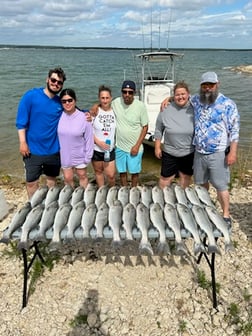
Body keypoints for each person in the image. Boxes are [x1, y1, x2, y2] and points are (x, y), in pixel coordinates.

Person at [162, 71, 240, 226]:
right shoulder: (197, 100)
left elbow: (235, 131)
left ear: (217, 85)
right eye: (205, 85)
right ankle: (205, 208)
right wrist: (168, 98)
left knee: (221, 185)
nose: (207, 88)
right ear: (201, 87)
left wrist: (233, 152)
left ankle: (225, 215)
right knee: (201, 183)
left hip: (218, 153)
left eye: (210, 85)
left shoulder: (228, 104)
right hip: (199, 152)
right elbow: (182, 97)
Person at [16, 67, 66, 199]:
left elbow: (75, 111)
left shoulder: (60, 102)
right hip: (32, 150)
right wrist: (22, 142)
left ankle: (49, 207)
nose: (56, 84)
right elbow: (21, 122)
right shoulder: (31, 96)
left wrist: (91, 112)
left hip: (53, 150)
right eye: (53, 80)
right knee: (32, 183)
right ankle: (33, 207)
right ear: (47, 79)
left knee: (51, 181)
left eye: (59, 82)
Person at [154, 81, 194, 189]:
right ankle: (163, 201)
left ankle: (183, 200)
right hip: (169, 152)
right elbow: (158, 129)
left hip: (188, 152)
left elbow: (204, 97)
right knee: (165, 179)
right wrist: (157, 147)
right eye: (177, 95)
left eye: (183, 94)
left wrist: (170, 97)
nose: (180, 97)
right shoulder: (165, 109)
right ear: (173, 95)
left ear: (188, 94)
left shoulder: (195, 107)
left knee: (185, 177)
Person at [112, 80, 149, 187]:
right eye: (125, 92)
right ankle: (124, 190)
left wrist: (137, 146)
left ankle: (133, 190)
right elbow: (104, 104)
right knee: (122, 172)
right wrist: (95, 106)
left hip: (135, 147)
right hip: (120, 147)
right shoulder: (116, 102)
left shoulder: (140, 106)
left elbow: (145, 127)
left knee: (134, 172)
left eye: (130, 92)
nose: (127, 94)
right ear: (121, 92)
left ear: (134, 93)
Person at [58, 89, 94, 189]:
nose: (67, 103)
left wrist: (88, 157)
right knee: (67, 178)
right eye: (64, 101)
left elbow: (89, 139)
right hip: (65, 155)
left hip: (80, 154)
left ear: (75, 100)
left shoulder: (84, 117)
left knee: (82, 176)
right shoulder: (58, 116)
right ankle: (70, 200)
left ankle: (84, 199)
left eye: (70, 100)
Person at [91, 85, 116, 187]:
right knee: (98, 172)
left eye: (107, 98)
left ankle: (112, 193)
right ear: (99, 98)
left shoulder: (115, 111)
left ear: (111, 98)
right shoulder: (94, 112)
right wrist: (98, 142)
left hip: (109, 150)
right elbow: (88, 131)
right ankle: (101, 193)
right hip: (96, 149)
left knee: (111, 175)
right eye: (102, 98)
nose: (105, 100)